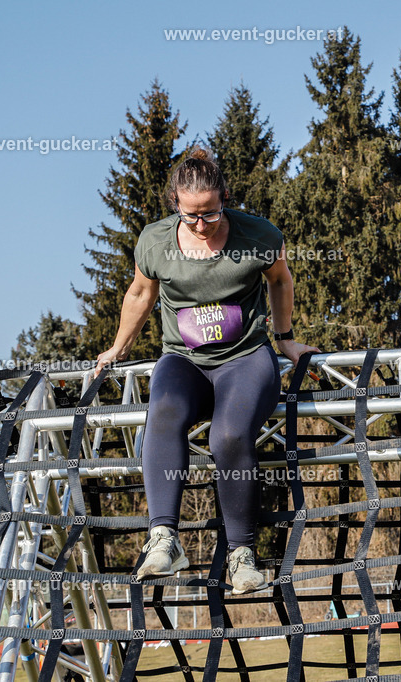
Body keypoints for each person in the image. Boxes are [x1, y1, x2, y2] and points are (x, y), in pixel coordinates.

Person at [95, 147, 317, 594]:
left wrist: (285, 338)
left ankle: (241, 555)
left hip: (244, 358)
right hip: (185, 359)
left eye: (211, 215)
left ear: (225, 199)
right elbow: (141, 293)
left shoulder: (258, 235)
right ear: (175, 202)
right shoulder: (155, 241)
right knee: (163, 414)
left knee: (228, 436)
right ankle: (164, 539)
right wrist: (118, 347)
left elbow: (279, 281)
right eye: (191, 215)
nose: (201, 224)